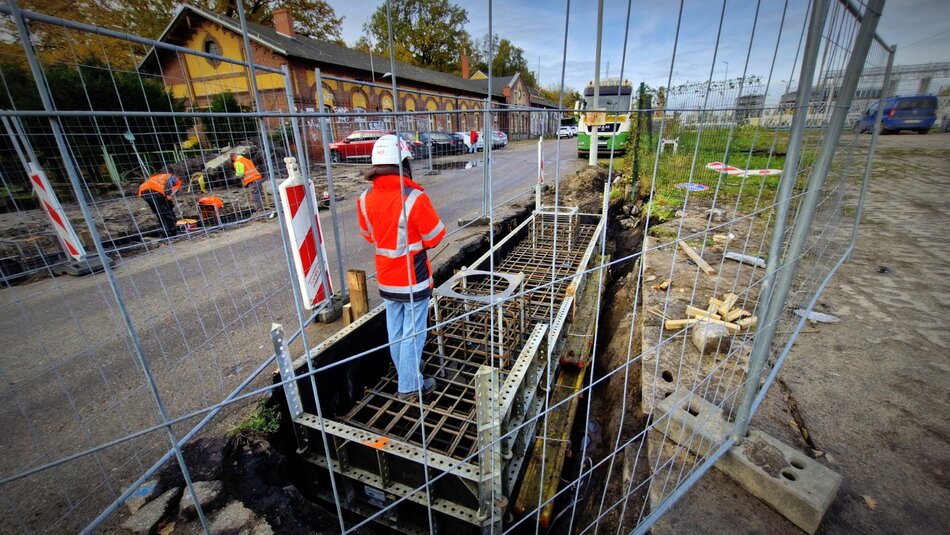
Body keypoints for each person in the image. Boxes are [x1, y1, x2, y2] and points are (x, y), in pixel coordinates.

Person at [357, 134, 446, 401]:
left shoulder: (364, 198)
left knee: (395, 331)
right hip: (413, 279)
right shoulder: (414, 197)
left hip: (386, 278)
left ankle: (408, 369)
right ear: (403, 163)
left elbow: (369, 235)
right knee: (413, 334)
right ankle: (409, 385)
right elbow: (435, 236)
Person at [138, 172, 181, 237]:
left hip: (143, 191)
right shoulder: (175, 179)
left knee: (159, 212)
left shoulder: (163, 177)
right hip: (154, 191)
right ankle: (170, 232)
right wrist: (169, 196)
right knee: (166, 212)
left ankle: (168, 231)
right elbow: (169, 190)